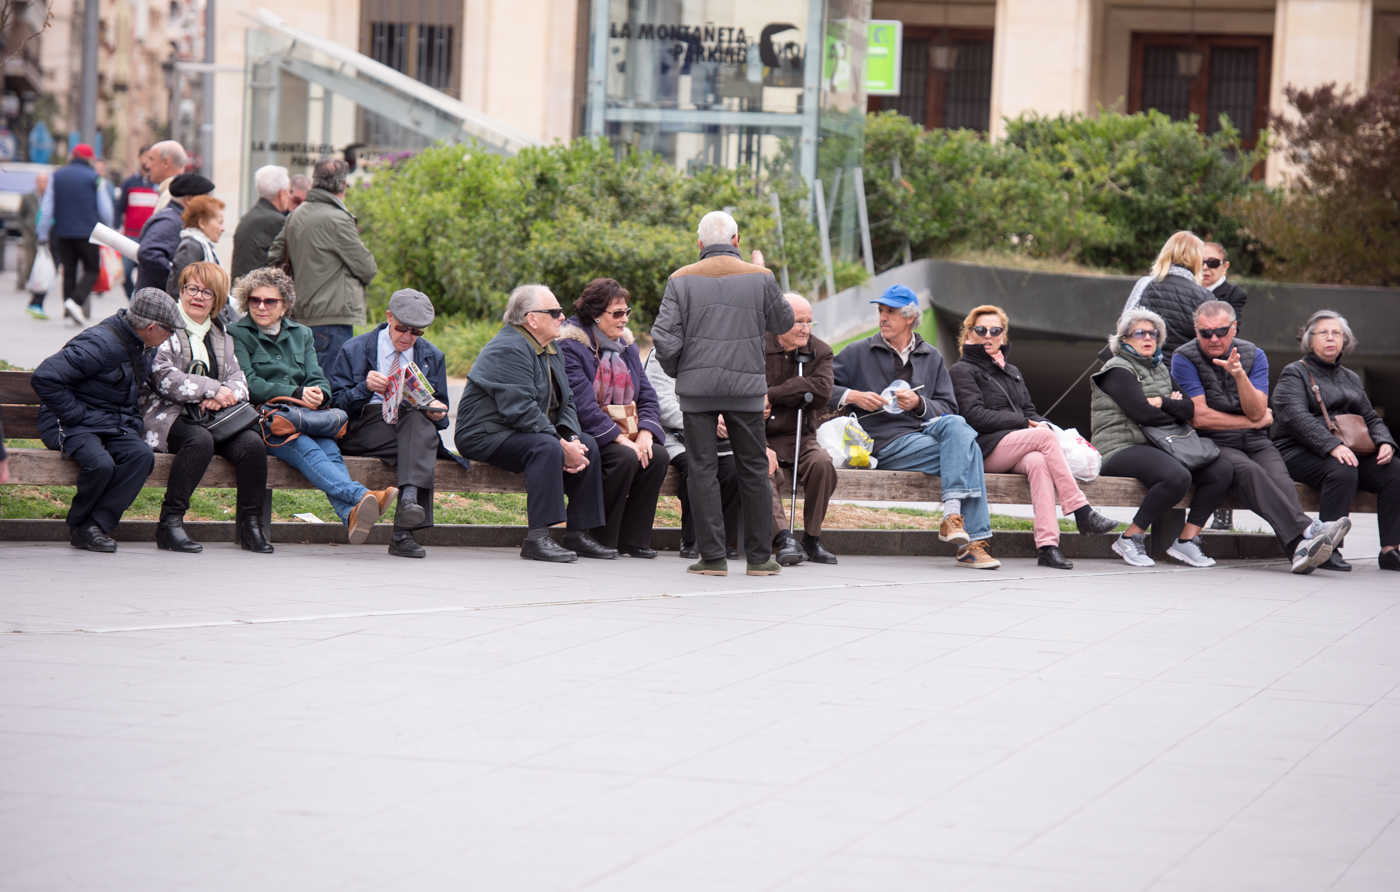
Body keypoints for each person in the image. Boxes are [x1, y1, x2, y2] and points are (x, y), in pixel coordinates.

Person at [651, 210, 795, 577]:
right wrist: (763, 273)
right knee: (753, 468)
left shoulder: (680, 279)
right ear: (737, 241)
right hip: (746, 391)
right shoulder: (760, 277)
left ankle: (712, 556)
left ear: (699, 244)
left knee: (701, 470)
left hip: (697, 392)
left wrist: (682, 372)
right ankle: (760, 558)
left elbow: (664, 338)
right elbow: (783, 323)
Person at [830, 284, 1000, 569]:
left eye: (891, 312)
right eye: (881, 311)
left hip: (925, 433)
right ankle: (971, 542)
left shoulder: (931, 355)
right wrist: (853, 396)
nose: (883, 317)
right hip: (884, 441)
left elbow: (949, 408)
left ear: (910, 318)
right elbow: (822, 384)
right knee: (967, 450)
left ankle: (953, 518)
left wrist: (919, 404)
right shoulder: (858, 351)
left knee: (958, 427)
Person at [1171, 299, 1348, 573]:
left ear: (1234, 328)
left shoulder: (1254, 355)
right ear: (1196, 331)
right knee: (1251, 473)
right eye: (1205, 333)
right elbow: (1199, 417)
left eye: (1220, 331)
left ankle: (1299, 552)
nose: (1213, 338)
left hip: (1255, 440)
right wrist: (1251, 420)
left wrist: (1240, 376)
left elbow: (1256, 409)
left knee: (1281, 482)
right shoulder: (1184, 358)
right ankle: (1310, 529)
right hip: (1212, 442)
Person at [229, 266, 396, 545]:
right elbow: (250, 384)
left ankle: (351, 514)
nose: (260, 306)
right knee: (306, 447)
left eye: (270, 301)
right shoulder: (237, 333)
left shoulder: (301, 334)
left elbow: (317, 376)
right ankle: (362, 496)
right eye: (254, 300)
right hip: (269, 419)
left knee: (330, 452)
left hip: (308, 415)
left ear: (285, 305)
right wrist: (295, 391)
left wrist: (320, 394)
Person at [950, 304, 1119, 570]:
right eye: (981, 330)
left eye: (996, 330)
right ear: (969, 334)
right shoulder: (963, 370)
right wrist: (1025, 424)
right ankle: (1081, 511)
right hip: (986, 448)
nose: (988, 336)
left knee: (1040, 461)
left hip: (1017, 446)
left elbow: (1029, 411)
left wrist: (1047, 426)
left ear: (1003, 335)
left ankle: (1048, 547)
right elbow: (974, 416)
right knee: (1041, 438)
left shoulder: (1012, 371)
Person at [455, 284, 614, 563]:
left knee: (588, 443)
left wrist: (571, 437)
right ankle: (538, 538)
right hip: (485, 434)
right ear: (532, 318)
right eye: (554, 312)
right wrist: (560, 445)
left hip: (520, 431)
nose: (562, 317)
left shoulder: (550, 348)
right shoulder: (508, 347)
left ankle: (579, 533)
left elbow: (568, 402)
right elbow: (520, 409)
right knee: (546, 448)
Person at [31, 289, 182, 552]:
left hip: (108, 422)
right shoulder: (99, 344)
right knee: (100, 465)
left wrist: (131, 426)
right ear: (151, 327)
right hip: (68, 421)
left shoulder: (144, 345)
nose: (172, 336)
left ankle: (96, 526)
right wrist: (76, 414)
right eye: (170, 330)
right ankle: (79, 526)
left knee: (141, 456)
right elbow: (44, 377)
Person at [139, 263, 271, 555]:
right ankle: (170, 522)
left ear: (218, 299)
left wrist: (221, 397)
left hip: (212, 416)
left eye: (207, 292)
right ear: (182, 290)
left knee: (252, 444)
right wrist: (211, 389)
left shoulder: (221, 335)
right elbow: (162, 376)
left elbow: (239, 380)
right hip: (168, 414)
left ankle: (251, 525)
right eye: (192, 289)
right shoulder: (167, 328)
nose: (197, 297)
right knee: (200, 441)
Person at [1089, 308, 1236, 568]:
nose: (1148, 338)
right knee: (1176, 476)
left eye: (1153, 333)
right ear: (1124, 339)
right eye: (1140, 333)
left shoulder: (1160, 369)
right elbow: (1142, 413)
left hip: (1160, 446)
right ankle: (1130, 537)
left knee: (1221, 469)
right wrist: (1170, 407)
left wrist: (1162, 402)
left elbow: (1190, 410)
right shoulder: (1116, 369)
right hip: (1120, 447)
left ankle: (1187, 541)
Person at [327, 288, 455, 559]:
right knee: (422, 439)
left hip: (408, 428)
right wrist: (364, 388)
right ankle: (404, 532)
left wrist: (437, 412)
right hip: (364, 426)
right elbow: (335, 405)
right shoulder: (356, 348)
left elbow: (441, 412)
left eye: (417, 333)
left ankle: (408, 500)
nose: (408, 338)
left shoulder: (432, 356)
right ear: (388, 318)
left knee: (419, 424)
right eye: (402, 329)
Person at [1272, 310, 1398, 572]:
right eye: (1324, 333)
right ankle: (1328, 549)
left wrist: (1385, 441)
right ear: (1309, 339)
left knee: (1394, 470)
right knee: (1342, 470)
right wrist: (1332, 446)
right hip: (1298, 450)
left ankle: (1390, 549)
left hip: (1346, 449)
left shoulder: (1350, 377)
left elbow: (1370, 417)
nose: (1331, 338)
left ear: (1345, 340)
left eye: (1336, 333)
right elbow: (1294, 417)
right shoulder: (1294, 373)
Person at [557, 278, 668, 557]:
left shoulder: (627, 347)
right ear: (595, 315)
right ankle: (603, 536)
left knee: (657, 456)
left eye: (626, 312)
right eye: (617, 314)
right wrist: (620, 439)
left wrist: (645, 434)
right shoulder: (572, 347)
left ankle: (633, 538)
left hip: (626, 429)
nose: (624, 320)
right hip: (590, 431)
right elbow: (581, 404)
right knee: (625, 458)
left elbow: (647, 396)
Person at [269, 158, 377, 371]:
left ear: (314, 181)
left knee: (307, 385)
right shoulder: (338, 219)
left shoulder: (296, 215)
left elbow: (274, 257)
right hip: (332, 318)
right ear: (343, 184)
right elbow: (367, 268)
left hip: (300, 315)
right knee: (329, 388)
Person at [764, 292, 839, 566]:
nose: (805, 328)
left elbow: (821, 391)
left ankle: (812, 538)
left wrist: (771, 395)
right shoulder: (757, 347)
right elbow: (746, 390)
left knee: (823, 464)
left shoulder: (820, 351)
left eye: (809, 322)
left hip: (800, 434)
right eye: (798, 322)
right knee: (762, 465)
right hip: (761, 435)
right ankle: (783, 538)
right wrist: (796, 391)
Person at [644, 349, 740, 559]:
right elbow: (661, 404)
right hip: (676, 435)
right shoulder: (663, 355)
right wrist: (706, 422)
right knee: (696, 466)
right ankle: (693, 539)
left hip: (717, 437)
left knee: (734, 468)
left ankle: (725, 540)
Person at [39, 143, 114, 326]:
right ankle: (76, 301)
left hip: (62, 232)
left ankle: (68, 309)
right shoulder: (95, 178)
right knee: (92, 269)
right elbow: (105, 209)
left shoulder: (56, 176)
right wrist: (109, 229)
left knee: (69, 271)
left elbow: (47, 209)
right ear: (89, 159)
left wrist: (42, 233)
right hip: (88, 233)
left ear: (72, 156)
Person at [1133, 230, 1212, 359]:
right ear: (1198, 259)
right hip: (1183, 371)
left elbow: (1125, 327)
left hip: (1144, 369)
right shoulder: (1205, 297)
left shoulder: (1145, 284)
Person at [135, 173, 214, 292]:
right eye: (206, 198)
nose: (209, 204)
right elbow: (148, 253)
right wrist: (176, 278)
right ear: (189, 200)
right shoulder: (171, 221)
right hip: (156, 302)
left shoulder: (177, 218)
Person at [232, 165, 292, 280]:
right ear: (282, 194)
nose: (289, 196)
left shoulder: (249, 216)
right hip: (258, 292)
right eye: (289, 191)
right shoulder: (276, 221)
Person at [114, 147, 157, 298]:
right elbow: (119, 208)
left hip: (150, 237)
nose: (147, 161)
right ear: (139, 158)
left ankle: (138, 302)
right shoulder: (129, 183)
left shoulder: (157, 184)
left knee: (146, 276)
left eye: (151, 158)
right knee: (124, 274)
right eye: (145, 157)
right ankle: (133, 300)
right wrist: (117, 227)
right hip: (131, 236)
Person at [166, 195, 225, 297]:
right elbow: (178, 288)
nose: (222, 228)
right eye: (219, 222)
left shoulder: (202, 245)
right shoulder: (192, 247)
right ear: (202, 223)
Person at [20, 171, 48, 318]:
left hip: (46, 236)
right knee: (30, 262)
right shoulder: (28, 197)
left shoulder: (49, 197)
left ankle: (37, 293)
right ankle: (32, 288)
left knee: (44, 265)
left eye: (45, 181)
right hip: (31, 235)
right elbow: (21, 214)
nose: (43, 184)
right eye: (41, 181)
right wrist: (26, 227)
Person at [146, 140, 189, 213]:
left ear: (165, 163)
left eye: (151, 159)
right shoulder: (178, 192)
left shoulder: (172, 196)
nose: (147, 166)